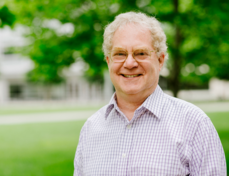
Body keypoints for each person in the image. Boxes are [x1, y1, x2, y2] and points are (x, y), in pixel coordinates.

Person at [74, 12, 226, 176]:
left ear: (160, 60)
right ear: (108, 61)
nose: (130, 63)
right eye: (120, 54)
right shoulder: (90, 129)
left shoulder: (195, 125)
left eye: (141, 53)